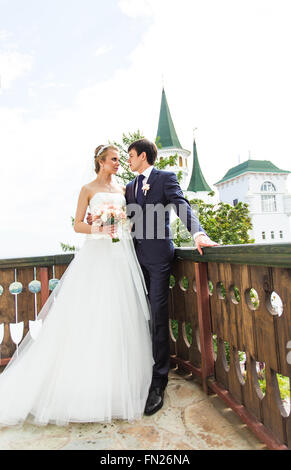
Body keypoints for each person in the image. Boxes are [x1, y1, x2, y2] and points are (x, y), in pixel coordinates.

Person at [0, 144, 154, 426]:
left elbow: (132, 222)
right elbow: (77, 225)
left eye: (120, 159)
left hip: (121, 257)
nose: (118, 163)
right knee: (92, 315)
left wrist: (122, 224)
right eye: (114, 160)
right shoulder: (88, 189)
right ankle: (87, 387)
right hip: (97, 256)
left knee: (120, 317)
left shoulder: (123, 190)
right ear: (100, 161)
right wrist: (100, 227)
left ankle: (120, 385)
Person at [125, 139, 218, 415]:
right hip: (132, 258)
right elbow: (128, 220)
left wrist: (198, 233)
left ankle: (159, 380)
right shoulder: (129, 187)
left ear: (143, 156)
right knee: (136, 314)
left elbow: (181, 205)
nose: (127, 160)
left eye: (130, 156)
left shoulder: (165, 178)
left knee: (158, 313)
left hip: (158, 258)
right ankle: (141, 368)